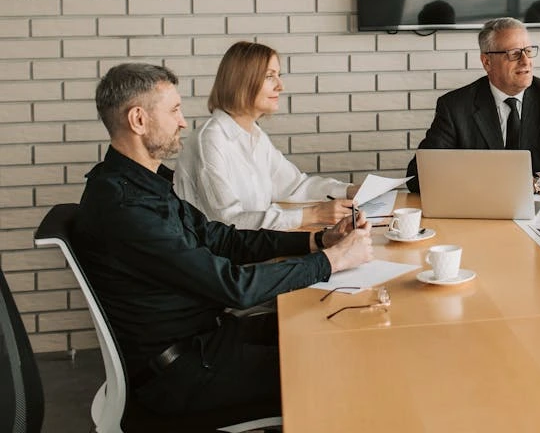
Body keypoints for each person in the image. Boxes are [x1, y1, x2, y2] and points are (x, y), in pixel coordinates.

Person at [72, 63, 374, 424]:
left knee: (335, 332)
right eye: (174, 110)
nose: (183, 121)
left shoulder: (140, 186)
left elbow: (221, 238)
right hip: (182, 374)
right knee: (342, 371)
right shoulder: (125, 208)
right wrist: (332, 260)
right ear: (138, 120)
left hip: (208, 341)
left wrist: (317, 241)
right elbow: (234, 287)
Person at [405, 17, 540, 194]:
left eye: (528, 51)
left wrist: (538, 183)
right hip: (478, 209)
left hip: (538, 208)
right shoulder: (455, 106)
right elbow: (418, 176)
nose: (526, 61)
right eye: (514, 54)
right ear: (487, 61)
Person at [175, 41, 355, 230]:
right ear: (241, 81)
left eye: (278, 75)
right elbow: (228, 222)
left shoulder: (255, 135)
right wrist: (315, 214)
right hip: (220, 257)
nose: (280, 86)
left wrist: (348, 190)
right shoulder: (211, 140)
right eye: (270, 76)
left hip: (253, 247)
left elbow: (294, 186)